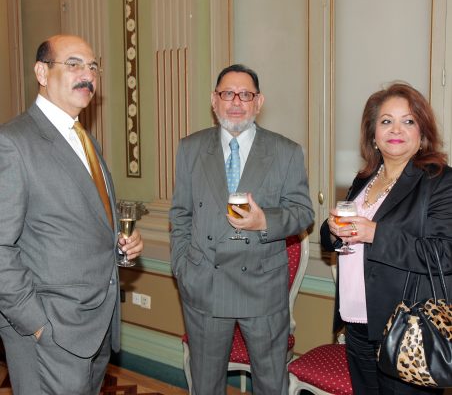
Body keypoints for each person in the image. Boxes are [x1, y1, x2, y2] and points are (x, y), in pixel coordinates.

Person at [0, 35, 143, 395]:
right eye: (74, 64)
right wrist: (37, 324)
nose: (88, 75)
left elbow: (82, 224)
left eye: (93, 67)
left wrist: (120, 244)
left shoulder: (85, 139)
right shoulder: (13, 142)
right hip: (50, 331)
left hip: (94, 327)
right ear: (41, 73)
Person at [170, 64, 314, 395]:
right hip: (205, 285)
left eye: (245, 94)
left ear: (258, 102)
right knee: (205, 386)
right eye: (227, 94)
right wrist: (182, 268)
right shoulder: (190, 148)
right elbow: (180, 214)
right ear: (214, 100)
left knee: (271, 385)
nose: (236, 102)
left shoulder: (286, 151)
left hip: (263, 288)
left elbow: (303, 212)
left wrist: (264, 222)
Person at [321, 83, 452, 395]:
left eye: (408, 121)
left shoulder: (439, 181)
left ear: (422, 133)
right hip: (356, 323)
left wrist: (375, 233)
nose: (396, 129)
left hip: (408, 328)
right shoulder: (364, 179)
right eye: (386, 121)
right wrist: (333, 230)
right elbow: (335, 239)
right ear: (373, 134)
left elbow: (444, 253)